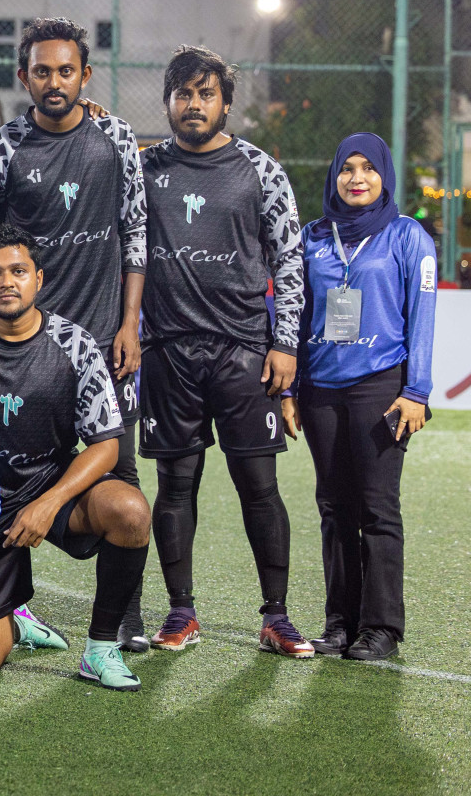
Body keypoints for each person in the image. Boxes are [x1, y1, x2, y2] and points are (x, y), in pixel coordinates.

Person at [0, 16, 150, 649]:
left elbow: (134, 234)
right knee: (9, 472)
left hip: (99, 340)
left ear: (85, 75)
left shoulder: (116, 136)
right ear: (25, 77)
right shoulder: (2, 149)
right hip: (18, 346)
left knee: (121, 473)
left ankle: (126, 614)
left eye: (66, 70)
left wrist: (128, 323)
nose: (55, 80)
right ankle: (15, 607)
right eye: (42, 70)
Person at [0, 222, 152, 690]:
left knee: (129, 510)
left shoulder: (75, 344)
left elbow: (106, 447)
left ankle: (100, 648)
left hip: (47, 485)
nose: (6, 282)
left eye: (18, 270)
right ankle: (14, 621)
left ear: (38, 279)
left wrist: (48, 503)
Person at [139, 45, 313, 658]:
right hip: (167, 351)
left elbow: (289, 259)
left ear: (225, 103)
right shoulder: (143, 168)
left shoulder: (260, 169)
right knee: (175, 484)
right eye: (183, 94)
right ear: (167, 101)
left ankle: (277, 616)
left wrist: (285, 344)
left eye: (205, 93)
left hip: (244, 352)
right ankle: (181, 612)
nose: (193, 104)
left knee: (258, 485)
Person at [283, 132, 436, 662]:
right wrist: (290, 389)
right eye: (347, 168)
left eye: (368, 168)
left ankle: (382, 629)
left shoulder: (408, 237)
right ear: (334, 177)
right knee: (333, 507)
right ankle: (340, 623)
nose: (356, 178)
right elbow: (295, 319)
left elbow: (422, 319)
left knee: (377, 507)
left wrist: (416, 391)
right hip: (321, 389)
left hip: (381, 388)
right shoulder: (312, 238)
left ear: (383, 176)